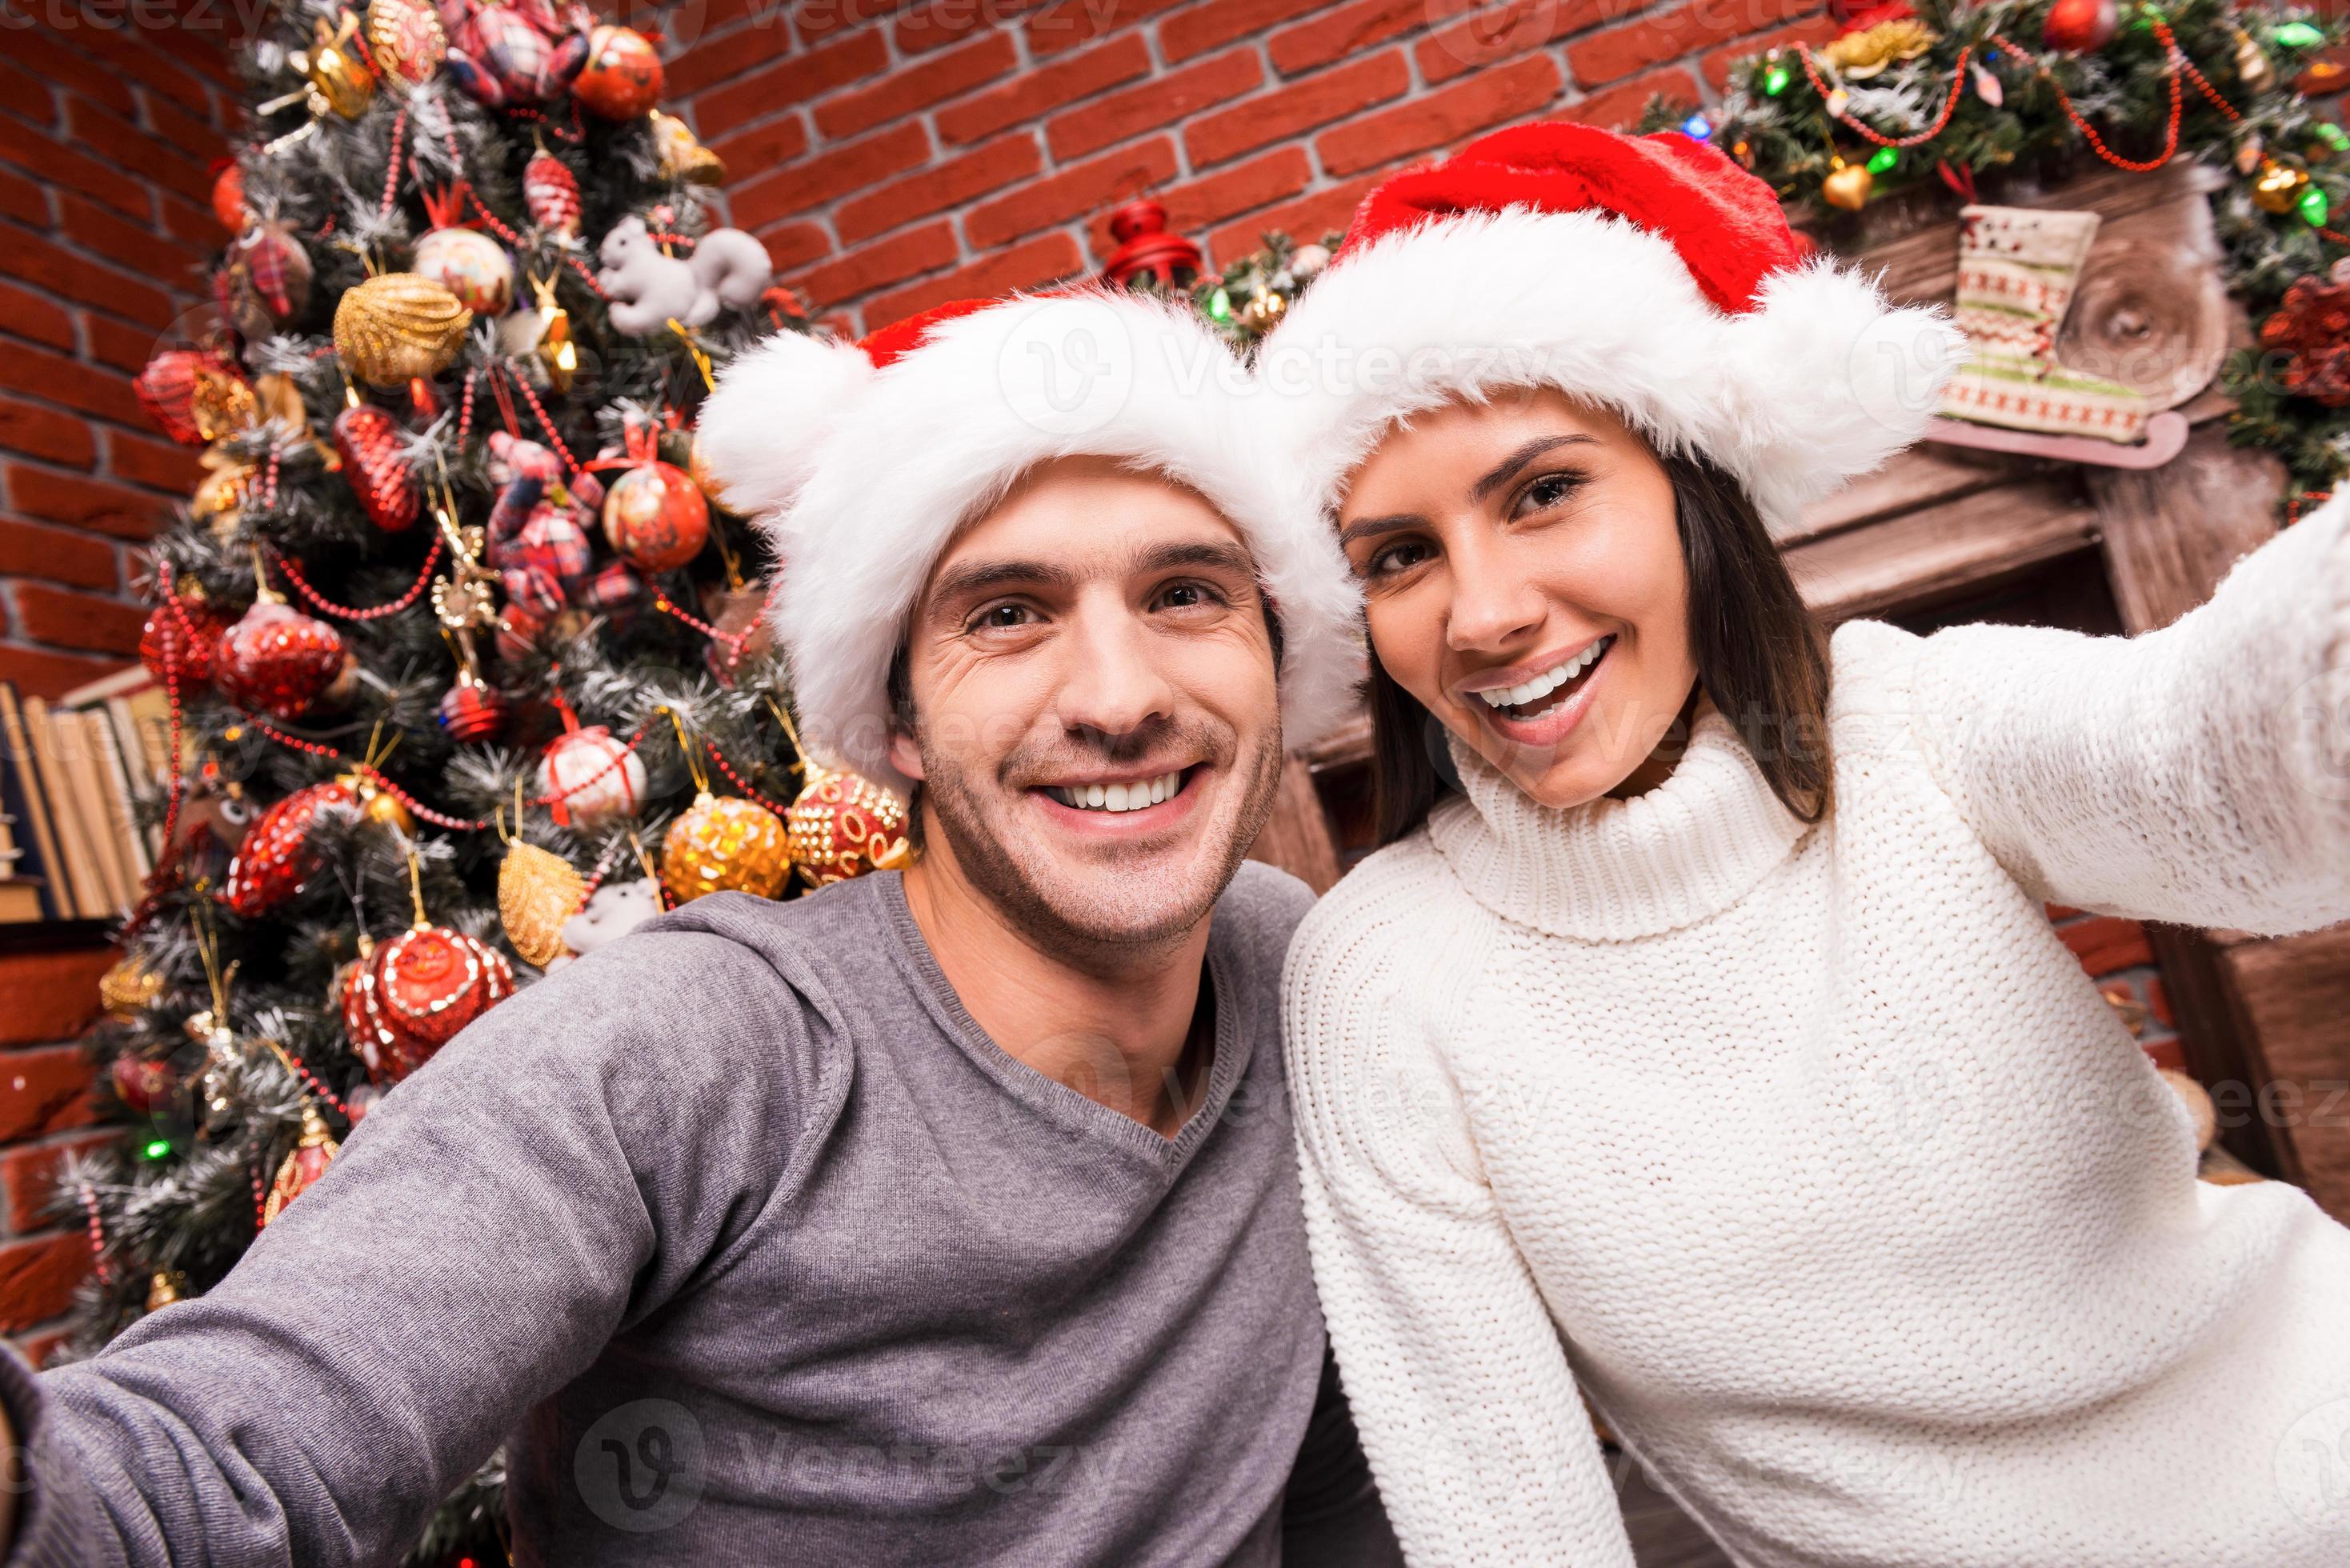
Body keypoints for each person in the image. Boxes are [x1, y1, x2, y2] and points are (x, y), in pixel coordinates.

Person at [0, 290, 1395, 1566]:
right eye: (1008, 613)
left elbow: (1334, 1479)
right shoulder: (686, 1052)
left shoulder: (1288, 959)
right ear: (895, 719)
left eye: (1185, 594)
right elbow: (214, 1464)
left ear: (1279, 658)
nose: (1118, 694)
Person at [1258, 122, 2350, 1566]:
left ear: (1689, 493)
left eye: (1542, 493)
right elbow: (1502, 1518)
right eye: (1398, 555)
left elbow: (2228, 779)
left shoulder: (1917, 718)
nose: (1483, 611)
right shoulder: (1382, 977)